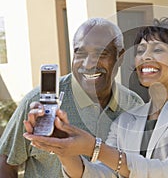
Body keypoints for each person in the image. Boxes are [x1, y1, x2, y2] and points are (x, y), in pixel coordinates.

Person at [23, 17, 168, 177]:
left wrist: (95, 147)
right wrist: (64, 149)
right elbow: (104, 174)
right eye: (140, 50)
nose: (146, 56)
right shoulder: (127, 119)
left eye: (157, 49)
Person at [0, 18, 144, 177]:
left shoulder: (134, 106)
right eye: (80, 53)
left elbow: (137, 167)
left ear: (120, 57)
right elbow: (5, 161)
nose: (88, 64)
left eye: (101, 54)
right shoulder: (37, 105)